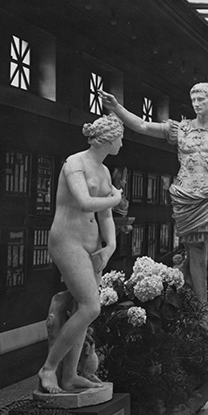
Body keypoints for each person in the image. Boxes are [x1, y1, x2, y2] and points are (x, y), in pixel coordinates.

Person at [99, 84, 208, 313]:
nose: (196, 103)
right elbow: (143, 126)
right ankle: (202, 306)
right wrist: (117, 108)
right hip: (187, 198)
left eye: (201, 99)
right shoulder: (180, 129)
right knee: (195, 253)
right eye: (193, 98)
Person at [38, 114, 124, 394]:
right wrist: (116, 197)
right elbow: (87, 203)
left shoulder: (104, 171)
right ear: (109, 139)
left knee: (81, 310)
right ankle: (49, 369)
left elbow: (106, 217)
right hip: (68, 240)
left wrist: (109, 246)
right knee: (91, 307)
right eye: (120, 138)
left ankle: (70, 376)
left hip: (92, 246)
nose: (122, 143)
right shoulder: (75, 164)